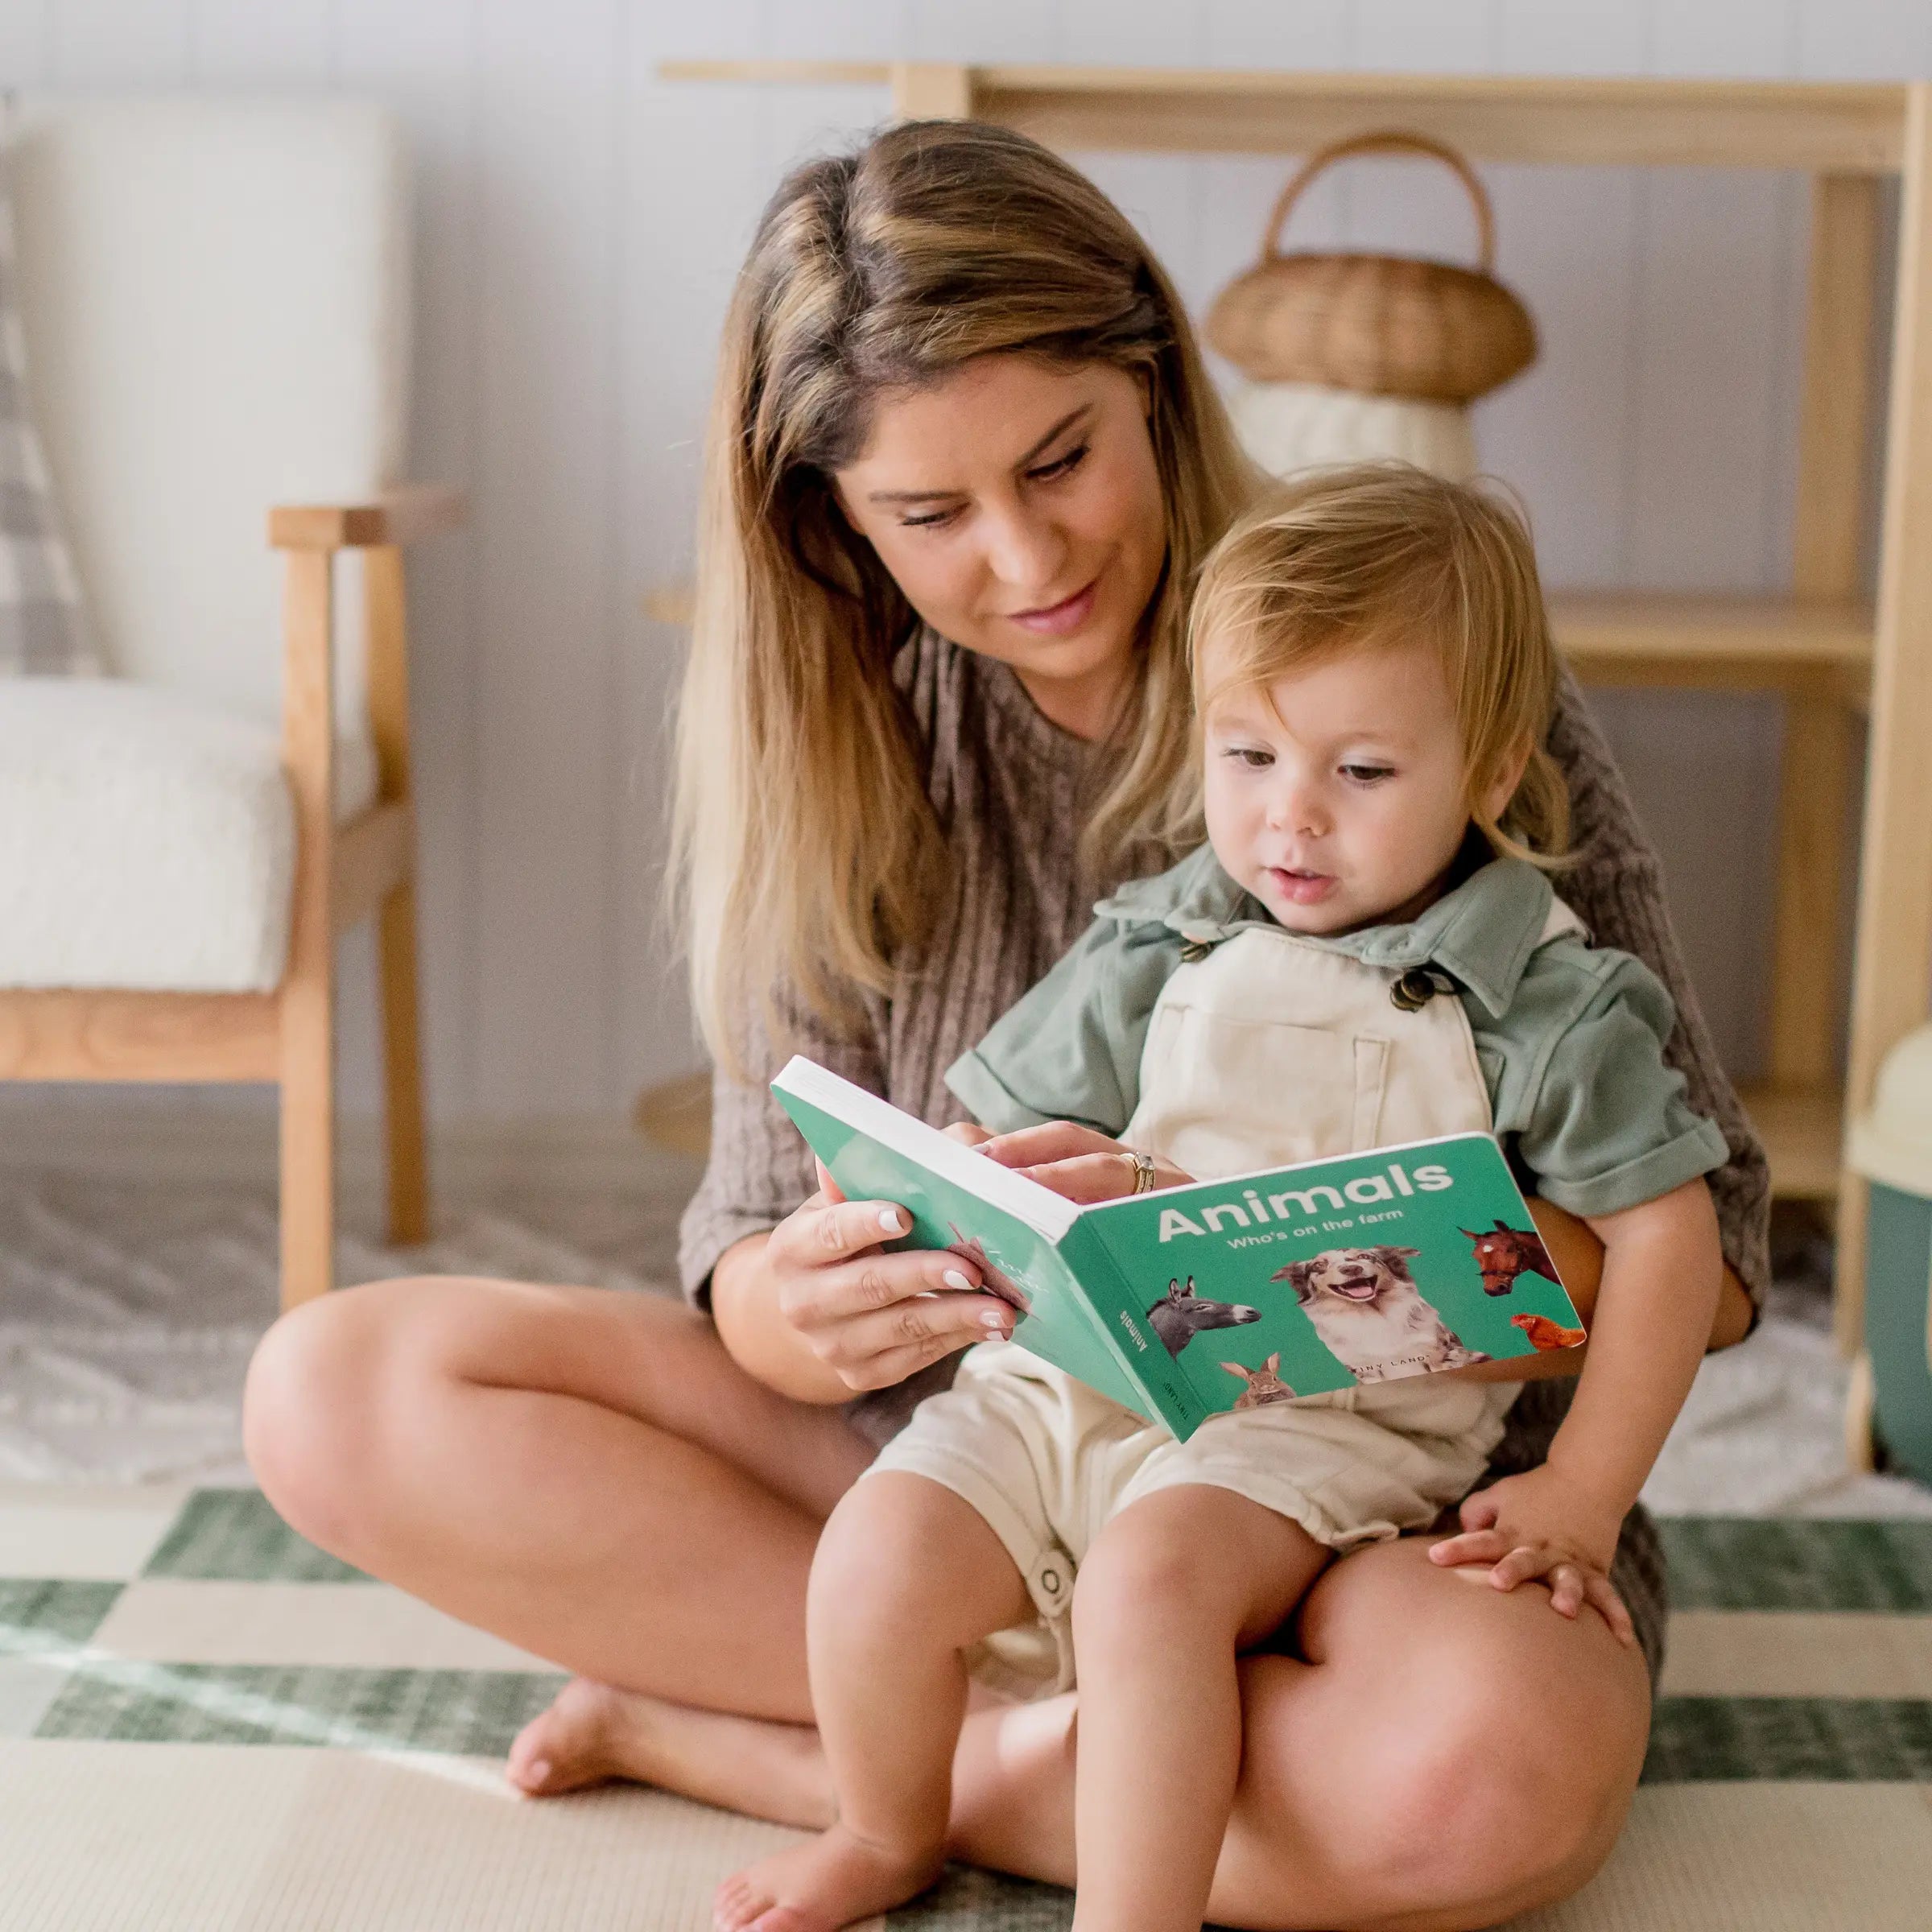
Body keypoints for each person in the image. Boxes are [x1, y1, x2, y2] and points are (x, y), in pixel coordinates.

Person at [242, 121, 1767, 1931]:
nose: (1029, 554)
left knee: (1471, 1782)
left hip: (1385, 1507)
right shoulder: (835, 748)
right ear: (834, 522)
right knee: (334, 1391)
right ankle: (1082, 1750)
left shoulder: (1403, 680)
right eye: (932, 515)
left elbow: (1717, 1249)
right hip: (994, 1440)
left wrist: (1351, 1266)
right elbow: (738, 1252)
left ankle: (814, 1753)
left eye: (1063, 460)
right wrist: (800, 1307)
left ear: (1153, 386)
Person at [714, 466, 1730, 1932]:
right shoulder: (1166, 935)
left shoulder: (1549, 1001)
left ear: (1493, 771)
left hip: (1317, 1426)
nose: (1290, 822)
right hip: (1076, 1378)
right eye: (1247, 756)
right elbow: (987, 1119)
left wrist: (1585, 1491)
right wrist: (911, 1183)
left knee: (1151, 1588)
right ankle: (882, 1827)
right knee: (875, 1550)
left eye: (1361, 774)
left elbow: (1674, 1240)